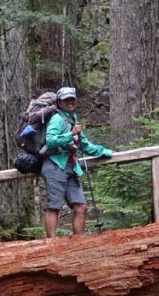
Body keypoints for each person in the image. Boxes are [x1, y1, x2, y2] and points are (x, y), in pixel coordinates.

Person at [42, 87, 113, 238]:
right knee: (54, 206)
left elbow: (84, 145)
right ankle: (51, 246)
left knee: (81, 206)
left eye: (72, 99)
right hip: (55, 166)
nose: (70, 102)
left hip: (70, 167)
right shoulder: (57, 119)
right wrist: (70, 134)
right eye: (66, 99)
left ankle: (78, 243)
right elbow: (50, 140)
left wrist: (106, 152)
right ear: (59, 102)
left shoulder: (72, 119)